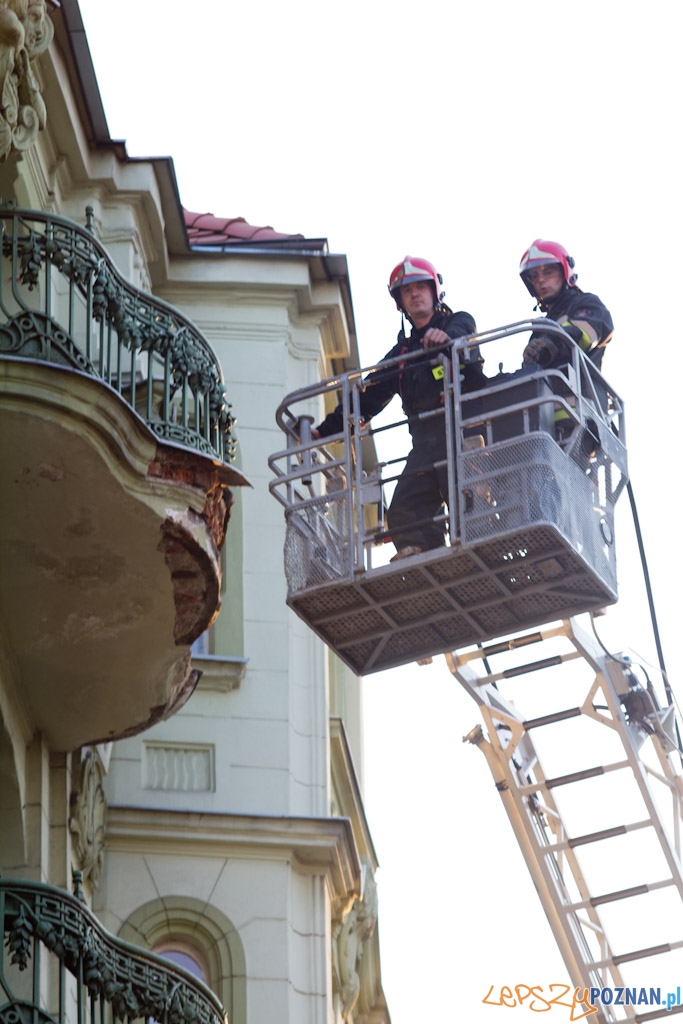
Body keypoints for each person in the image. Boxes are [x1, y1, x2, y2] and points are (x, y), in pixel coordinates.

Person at [312, 256, 486, 559]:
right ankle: (424, 558)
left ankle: (476, 551)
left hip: (462, 433)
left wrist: (446, 339)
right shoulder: (402, 354)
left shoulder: (457, 323)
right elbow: (366, 397)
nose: (415, 294)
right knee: (404, 509)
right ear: (400, 302)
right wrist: (324, 431)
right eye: (407, 290)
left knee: (466, 501)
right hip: (425, 444)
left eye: (421, 287)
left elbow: (463, 332)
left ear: (435, 292)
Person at [519, 239, 613, 370]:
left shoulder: (587, 303)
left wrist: (552, 343)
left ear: (564, 272)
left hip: (579, 382)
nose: (540, 280)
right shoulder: (542, 326)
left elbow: (584, 333)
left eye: (548, 272)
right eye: (534, 276)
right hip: (549, 383)